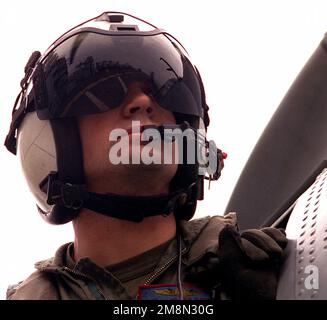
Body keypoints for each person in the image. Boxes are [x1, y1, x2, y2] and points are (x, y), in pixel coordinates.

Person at [4, 11, 287, 300]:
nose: (142, 102)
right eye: (106, 90)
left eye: (162, 92)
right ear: (55, 139)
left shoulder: (281, 269)